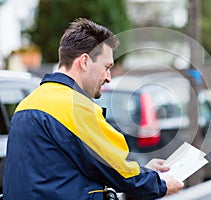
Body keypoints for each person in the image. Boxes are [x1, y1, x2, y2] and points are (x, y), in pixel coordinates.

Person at [3, 18, 184, 200]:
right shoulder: (74, 106)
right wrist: (161, 184)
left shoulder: (27, 103)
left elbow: (64, 169)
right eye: (106, 67)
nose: (108, 78)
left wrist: (144, 171)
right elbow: (118, 171)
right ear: (84, 62)